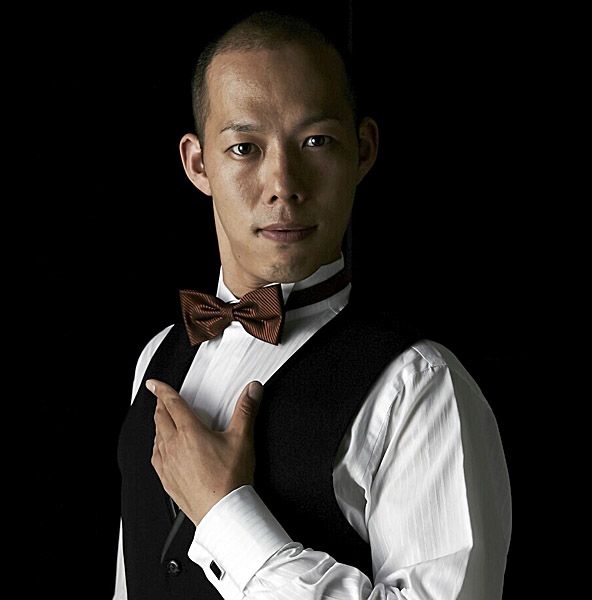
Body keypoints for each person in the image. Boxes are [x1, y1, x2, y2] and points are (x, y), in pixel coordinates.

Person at [113, 10, 511, 600]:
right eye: (244, 148)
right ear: (198, 164)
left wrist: (227, 517)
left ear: (363, 150)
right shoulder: (156, 357)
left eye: (316, 141)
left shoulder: (419, 386)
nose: (284, 185)